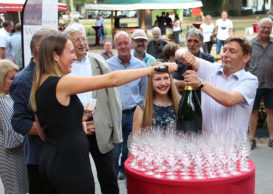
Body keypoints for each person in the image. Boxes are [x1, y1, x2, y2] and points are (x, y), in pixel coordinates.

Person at [29, 33, 177, 193]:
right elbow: (112, 79)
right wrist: (152, 69)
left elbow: (45, 131)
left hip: (53, 160)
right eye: (70, 52)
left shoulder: (40, 84)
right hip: (68, 164)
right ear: (55, 56)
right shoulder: (60, 83)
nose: (74, 57)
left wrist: (75, 122)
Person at [63, 23, 121, 194]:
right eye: (76, 40)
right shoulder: (64, 66)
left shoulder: (98, 61)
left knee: (108, 176)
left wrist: (109, 124)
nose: (82, 43)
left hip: (98, 125)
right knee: (80, 177)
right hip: (74, 126)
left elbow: (112, 95)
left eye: (83, 39)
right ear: (68, 43)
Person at [176, 35, 258, 133]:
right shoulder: (211, 69)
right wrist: (184, 54)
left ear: (246, 57)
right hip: (206, 145)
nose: (225, 55)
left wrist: (201, 83)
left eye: (232, 51)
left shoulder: (250, 80)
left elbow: (229, 100)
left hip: (233, 146)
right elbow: (178, 54)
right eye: (224, 50)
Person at [10, 28, 56, 194]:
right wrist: (54, 130)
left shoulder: (54, 73)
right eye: (54, 46)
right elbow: (19, 122)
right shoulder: (23, 80)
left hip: (59, 156)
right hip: (39, 158)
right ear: (39, 48)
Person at [107, 31, 148, 180]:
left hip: (133, 114)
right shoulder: (107, 66)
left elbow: (144, 94)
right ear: (115, 45)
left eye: (126, 43)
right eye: (120, 43)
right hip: (115, 114)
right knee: (115, 150)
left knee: (130, 148)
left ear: (130, 43)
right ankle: (113, 176)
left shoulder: (140, 66)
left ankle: (126, 173)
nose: (123, 46)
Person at [248, 18, 273, 150]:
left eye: (268, 27)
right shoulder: (250, 44)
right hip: (254, 84)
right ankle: (251, 139)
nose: (266, 30)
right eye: (263, 27)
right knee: (253, 111)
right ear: (258, 28)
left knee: (271, 110)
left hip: (271, 84)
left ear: (271, 29)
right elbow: (244, 64)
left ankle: (272, 139)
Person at [0, 60, 28, 194]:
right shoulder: (3, 101)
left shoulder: (11, 97)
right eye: (11, 79)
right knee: (15, 189)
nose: (16, 82)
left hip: (16, 153)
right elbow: (13, 135)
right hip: (11, 156)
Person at [132, 62, 180, 132]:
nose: (163, 83)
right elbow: (135, 140)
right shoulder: (142, 107)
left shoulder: (180, 103)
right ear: (150, 82)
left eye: (166, 78)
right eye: (158, 79)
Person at [173, 28, 215, 93]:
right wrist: (201, 85)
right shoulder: (179, 59)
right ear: (186, 43)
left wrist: (184, 84)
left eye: (196, 41)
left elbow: (213, 83)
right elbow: (175, 84)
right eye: (189, 41)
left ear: (201, 44)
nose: (192, 44)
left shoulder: (209, 59)